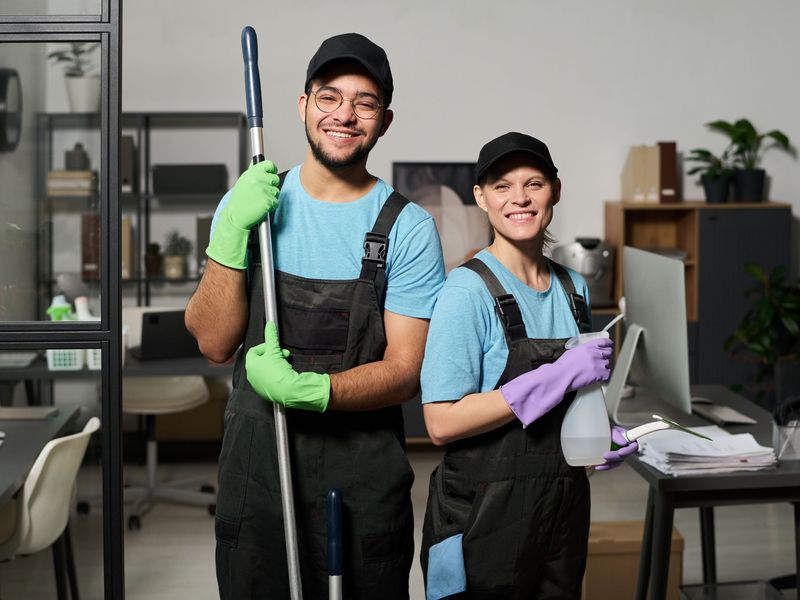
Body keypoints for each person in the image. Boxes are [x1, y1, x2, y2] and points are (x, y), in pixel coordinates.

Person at [185, 33, 445, 599]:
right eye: (329, 97)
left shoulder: (407, 228)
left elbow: (407, 369)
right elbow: (212, 341)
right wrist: (230, 234)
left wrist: (316, 392)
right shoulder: (251, 204)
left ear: (385, 119)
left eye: (365, 102)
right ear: (303, 106)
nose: (345, 115)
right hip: (259, 473)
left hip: (362, 478)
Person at [418, 132, 638, 599]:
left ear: (554, 190)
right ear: (481, 197)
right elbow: (439, 422)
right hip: (482, 518)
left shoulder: (573, 286)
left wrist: (604, 432)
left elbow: (579, 403)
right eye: (502, 186)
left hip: (561, 515)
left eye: (533, 183)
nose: (519, 198)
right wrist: (552, 378)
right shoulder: (466, 292)